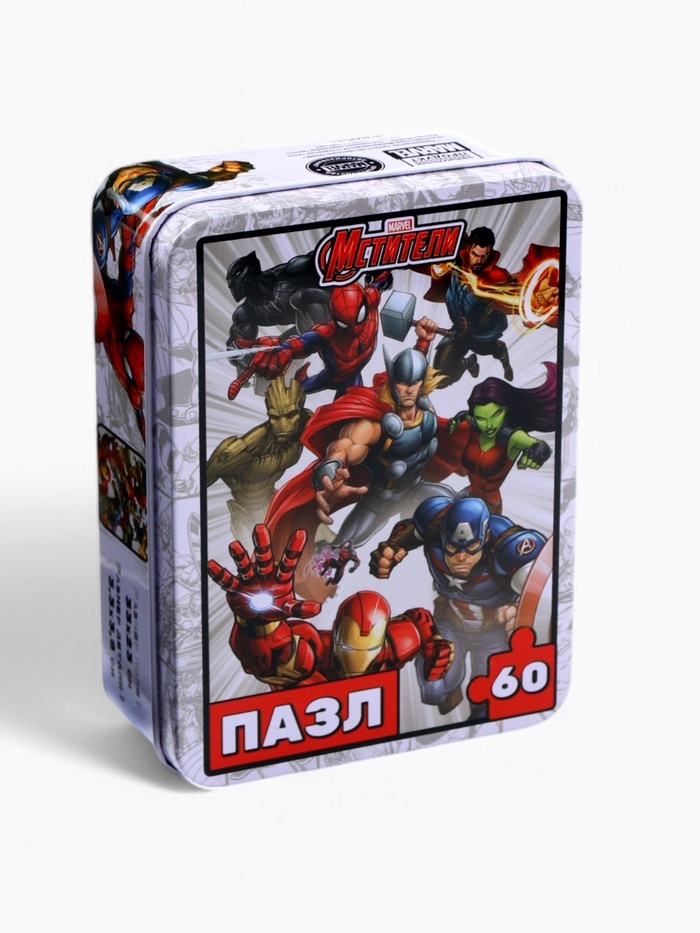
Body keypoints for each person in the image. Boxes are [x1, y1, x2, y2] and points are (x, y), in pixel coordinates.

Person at [207, 524, 453, 689]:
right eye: (348, 647)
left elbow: (419, 619)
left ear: (380, 643)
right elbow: (268, 661)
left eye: (368, 650)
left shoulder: (396, 646)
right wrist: (256, 623)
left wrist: (434, 644)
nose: (356, 661)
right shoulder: (313, 650)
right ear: (336, 636)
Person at [369, 494, 546, 718]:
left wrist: (521, 609)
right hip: (449, 624)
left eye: (472, 547)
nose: (461, 557)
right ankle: (451, 697)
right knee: (433, 691)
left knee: (488, 702)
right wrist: (389, 551)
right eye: (452, 547)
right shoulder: (434, 522)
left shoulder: (507, 546)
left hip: (493, 632)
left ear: (485, 537)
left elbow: (544, 587)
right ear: (444, 536)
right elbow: (408, 532)